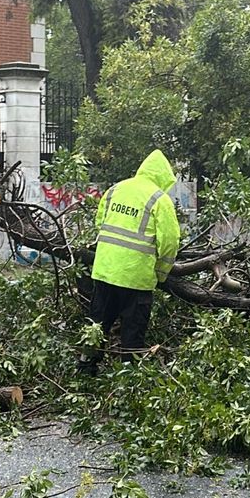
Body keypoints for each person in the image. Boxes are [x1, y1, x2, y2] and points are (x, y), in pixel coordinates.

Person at [80, 149, 181, 374]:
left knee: (96, 325)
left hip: (105, 271)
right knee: (133, 334)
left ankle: (85, 370)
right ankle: (128, 381)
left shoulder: (116, 189)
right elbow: (170, 242)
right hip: (137, 278)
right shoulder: (159, 199)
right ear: (164, 177)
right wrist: (161, 273)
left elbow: (100, 223)